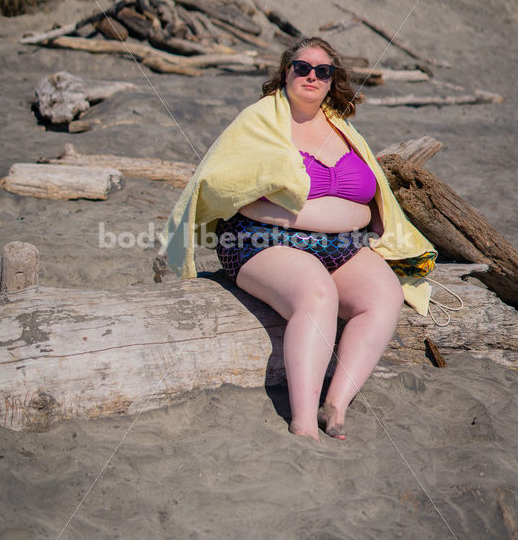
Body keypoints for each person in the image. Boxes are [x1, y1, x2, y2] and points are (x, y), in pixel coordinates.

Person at [161, 37, 437, 442]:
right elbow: (226, 186)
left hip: (339, 244)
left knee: (384, 295)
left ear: (332, 81)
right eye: (302, 68)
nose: (311, 76)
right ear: (285, 72)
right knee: (317, 293)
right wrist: (322, 218)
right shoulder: (260, 121)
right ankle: (304, 421)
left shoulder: (342, 129)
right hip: (262, 239)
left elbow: (370, 195)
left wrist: (360, 216)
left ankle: (336, 404)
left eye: (322, 71)